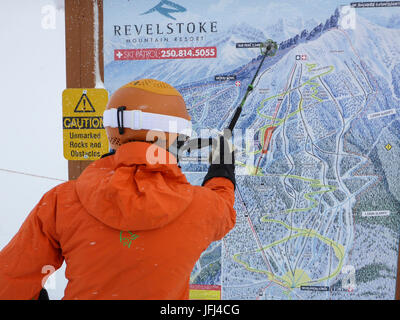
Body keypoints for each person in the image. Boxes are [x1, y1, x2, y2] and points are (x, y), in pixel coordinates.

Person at [0, 79, 236, 300]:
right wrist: (222, 170)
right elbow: (223, 206)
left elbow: (11, 280)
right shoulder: (203, 208)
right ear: (177, 137)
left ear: (113, 131)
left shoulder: (62, 201)